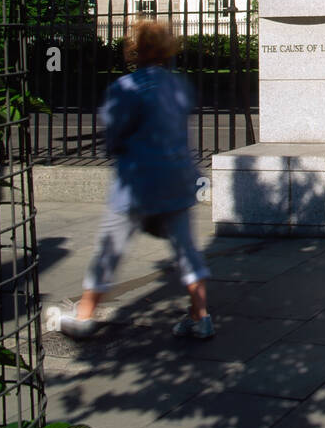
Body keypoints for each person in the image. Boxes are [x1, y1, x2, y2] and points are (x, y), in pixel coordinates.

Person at [59, 20, 214, 341]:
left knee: (109, 248)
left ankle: (85, 314)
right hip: (176, 178)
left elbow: (114, 135)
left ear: (135, 49)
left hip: (136, 180)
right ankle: (201, 316)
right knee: (187, 250)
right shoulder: (179, 85)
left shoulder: (125, 87)